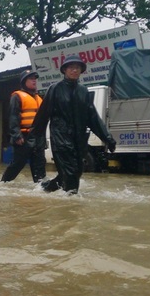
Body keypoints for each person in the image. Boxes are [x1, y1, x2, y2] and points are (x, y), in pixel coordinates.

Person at [31, 54, 117, 195]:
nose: (74, 70)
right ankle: (71, 205)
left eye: (77, 68)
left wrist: (107, 138)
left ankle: (46, 189)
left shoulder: (83, 91)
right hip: (60, 138)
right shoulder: (55, 89)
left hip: (79, 139)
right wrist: (34, 139)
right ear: (64, 70)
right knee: (70, 173)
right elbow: (42, 116)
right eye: (71, 68)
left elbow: (93, 118)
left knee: (76, 172)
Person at [0, 70, 46, 183]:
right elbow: (13, 117)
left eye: (35, 78)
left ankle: (40, 186)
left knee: (40, 163)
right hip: (24, 137)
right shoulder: (17, 96)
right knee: (18, 163)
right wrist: (17, 135)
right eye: (31, 78)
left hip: (38, 137)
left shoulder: (39, 99)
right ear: (24, 81)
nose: (34, 80)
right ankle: (4, 183)